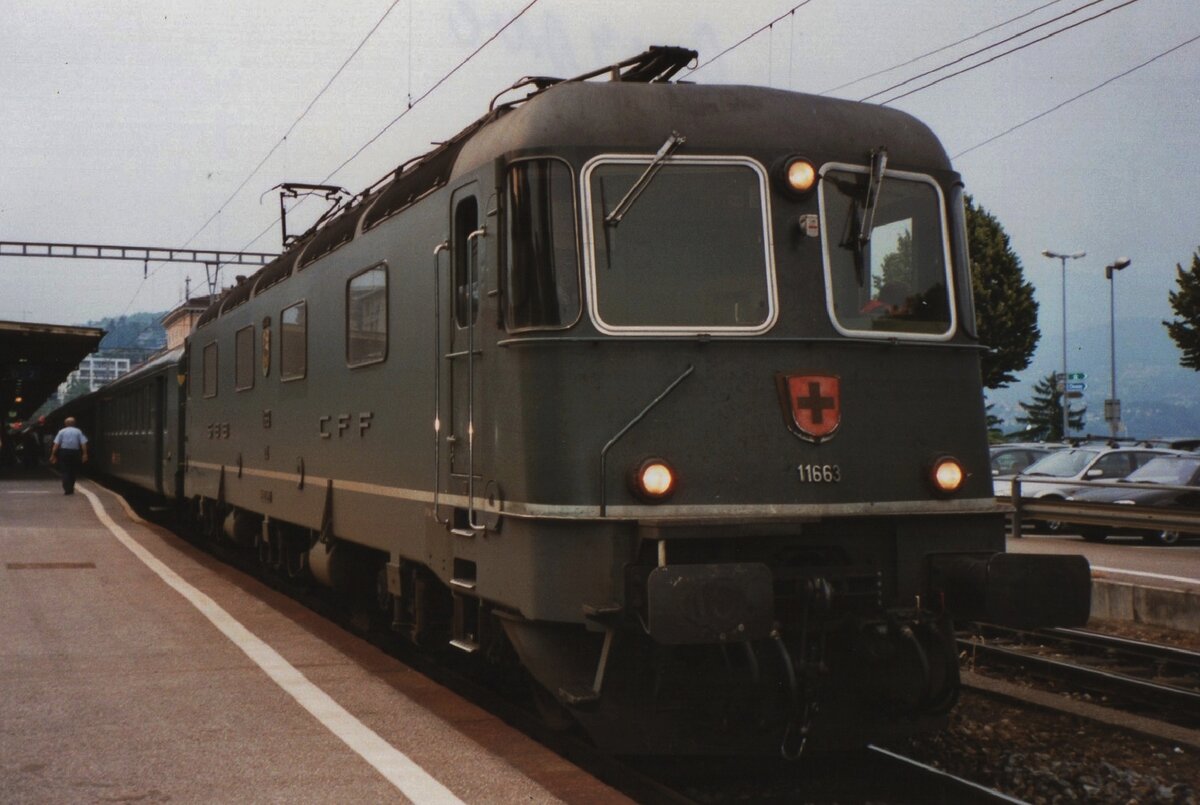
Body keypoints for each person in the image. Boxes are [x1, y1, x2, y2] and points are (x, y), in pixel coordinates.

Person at [50, 416, 89, 495]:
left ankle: (67, 488)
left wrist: (53, 454)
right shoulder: (78, 431)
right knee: (73, 470)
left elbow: (56, 444)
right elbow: (83, 443)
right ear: (74, 423)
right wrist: (85, 454)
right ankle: (71, 488)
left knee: (65, 470)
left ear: (65, 423)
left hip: (64, 452)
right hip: (75, 452)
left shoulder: (61, 431)